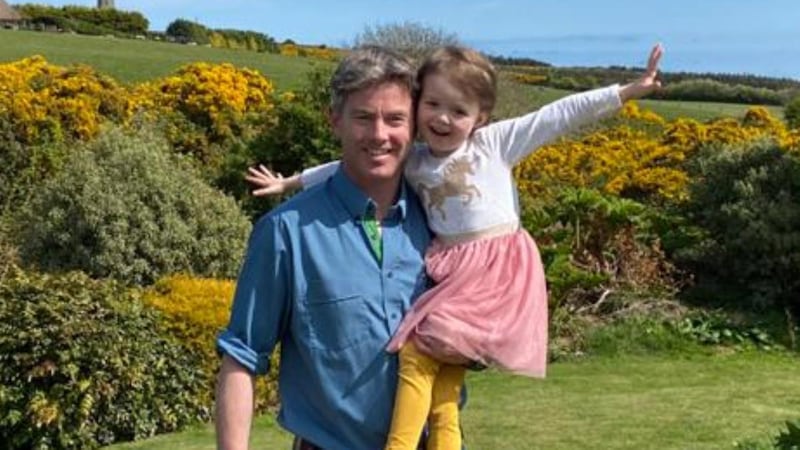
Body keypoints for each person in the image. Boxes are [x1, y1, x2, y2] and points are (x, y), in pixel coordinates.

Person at [247, 44, 664, 450]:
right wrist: (291, 182)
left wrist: (626, 91)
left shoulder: (492, 145)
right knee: (445, 381)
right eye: (432, 105)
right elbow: (341, 167)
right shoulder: (414, 159)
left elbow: (557, 115)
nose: (443, 118)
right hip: (454, 272)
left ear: (481, 118)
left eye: (458, 110)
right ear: (419, 106)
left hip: (495, 272)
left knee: (416, 353)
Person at [215, 46, 434, 450]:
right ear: (335, 121)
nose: (380, 135)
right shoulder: (285, 232)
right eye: (363, 117)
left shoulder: (440, 222)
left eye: (395, 119)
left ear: (414, 127)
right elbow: (241, 358)